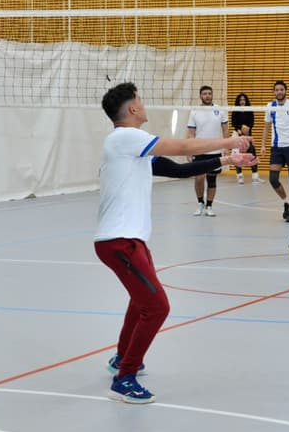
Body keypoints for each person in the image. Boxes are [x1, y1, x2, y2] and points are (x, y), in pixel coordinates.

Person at [96, 81, 255, 402]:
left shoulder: (135, 147)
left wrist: (226, 161)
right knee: (157, 307)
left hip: (131, 240)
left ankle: (122, 358)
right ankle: (124, 379)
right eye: (141, 100)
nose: (144, 104)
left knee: (141, 301)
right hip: (119, 241)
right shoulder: (125, 137)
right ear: (132, 109)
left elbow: (180, 170)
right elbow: (183, 147)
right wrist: (230, 140)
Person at [185, 85, 228, 217]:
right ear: (200, 96)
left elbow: (225, 130)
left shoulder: (219, 110)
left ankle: (209, 206)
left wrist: (226, 146)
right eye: (204, 94)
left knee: (212, 179)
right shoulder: (194, 111)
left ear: (212, 95)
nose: (207, 96)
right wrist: (189, 150)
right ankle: (200, 203)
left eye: (209, 93)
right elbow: (191, 133)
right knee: (199, 178)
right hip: (199, 150)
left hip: (215, 150)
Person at [263, 80, 289, 222]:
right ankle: (286, 201)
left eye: (281, 89)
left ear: (285, 91)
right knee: (273, 179)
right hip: (276, 147)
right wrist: (263, 144)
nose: (279, 92)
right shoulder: (270, 106)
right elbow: (267, 127)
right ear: (274, 92)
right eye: (277, 90)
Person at [229, 92, 262, 184]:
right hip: (237, 135)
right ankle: (240, 177)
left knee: (252, 155)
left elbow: (252, 123)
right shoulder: (235, 110)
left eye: (244, 100)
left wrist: (247, 129)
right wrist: (240, 128)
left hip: (248, 135)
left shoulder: (249, 110)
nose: (242, 101)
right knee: (237, 156)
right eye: (240, 100)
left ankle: (255, 177)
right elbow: (233, 123)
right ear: (238, 101)